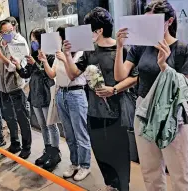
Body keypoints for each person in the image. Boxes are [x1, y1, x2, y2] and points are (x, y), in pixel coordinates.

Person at [114, 1, 188, 191]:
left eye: (152, 21)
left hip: (172, 115)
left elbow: (184, 88)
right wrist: (119, 47)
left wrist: (165, 66)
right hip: (144, 109)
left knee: (180, 172)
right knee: (150, 170)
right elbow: (120, 76)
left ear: (169, 21)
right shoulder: (140, 47)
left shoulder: (182, 49)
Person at [63, 7, 138, 191]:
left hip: (117, 112)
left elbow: (135, 77)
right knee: (101, 151)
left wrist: (114, 89)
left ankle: (122, 187)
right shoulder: (89, 51)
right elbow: (73, 74)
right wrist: (67, 56)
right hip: (94, 110)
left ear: (99, 30)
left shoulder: (121, 49)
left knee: (119, 154)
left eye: (89, 29)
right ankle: (109, 184)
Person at [41, 24, 91, 181]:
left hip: (76, 94)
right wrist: (44, 61)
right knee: (69, 133)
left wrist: (66, 57)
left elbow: (73, 75)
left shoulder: (81, 53)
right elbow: (52, 74)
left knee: (80, 133)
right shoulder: (59, 54)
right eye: (61, 38)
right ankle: (74, 163)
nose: (62, 41)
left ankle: (85, 165)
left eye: (63, 37)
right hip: (61, 93)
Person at [11, 27, 61, 171]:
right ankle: (47, 150)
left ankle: (55, 153)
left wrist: (36, 63)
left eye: (35, 40)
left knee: (51, 124)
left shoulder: (50, 55)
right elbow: (26, 74)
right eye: (31, 40)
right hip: (35, 93)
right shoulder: (32, 54)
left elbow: (50, 75)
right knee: (43, 125)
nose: (33, 42)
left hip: (46, 93)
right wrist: (19, 66)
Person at [0, 20, 32, 159]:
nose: (10, 34)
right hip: (3, 87)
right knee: (9, 117)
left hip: (17, 86)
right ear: (0, 33)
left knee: (22, 118)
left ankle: (26, 147)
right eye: (5, 32)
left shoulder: (19, 43)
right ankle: (15, 143)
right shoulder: (0, 44)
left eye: (11, 30)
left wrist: (3, 58)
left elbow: (17, 67)